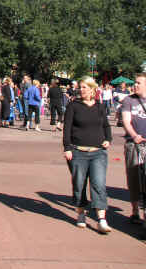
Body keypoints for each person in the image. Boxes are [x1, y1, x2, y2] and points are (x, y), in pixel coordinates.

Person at [63, 76, 112, 233]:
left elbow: (106, 125)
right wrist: (67, 148)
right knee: (79, 184)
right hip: (78, 152)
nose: (81, 90)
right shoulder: (73, 106)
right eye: (80, 87)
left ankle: (101, 219)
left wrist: (108, 139)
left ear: (92, 89)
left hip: (98, 152)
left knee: (98, 184)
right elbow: (67, 128)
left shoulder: (100, 107)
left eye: (85, 87)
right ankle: (81, 213)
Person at [121, 73, 146, 230]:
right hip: (134, 144)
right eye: (134, 83)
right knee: (134, 177)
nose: (135, 85)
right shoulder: (129, 100)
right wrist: (134, 135)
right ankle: (135, 210)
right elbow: (126, 121)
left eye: (138, 83)